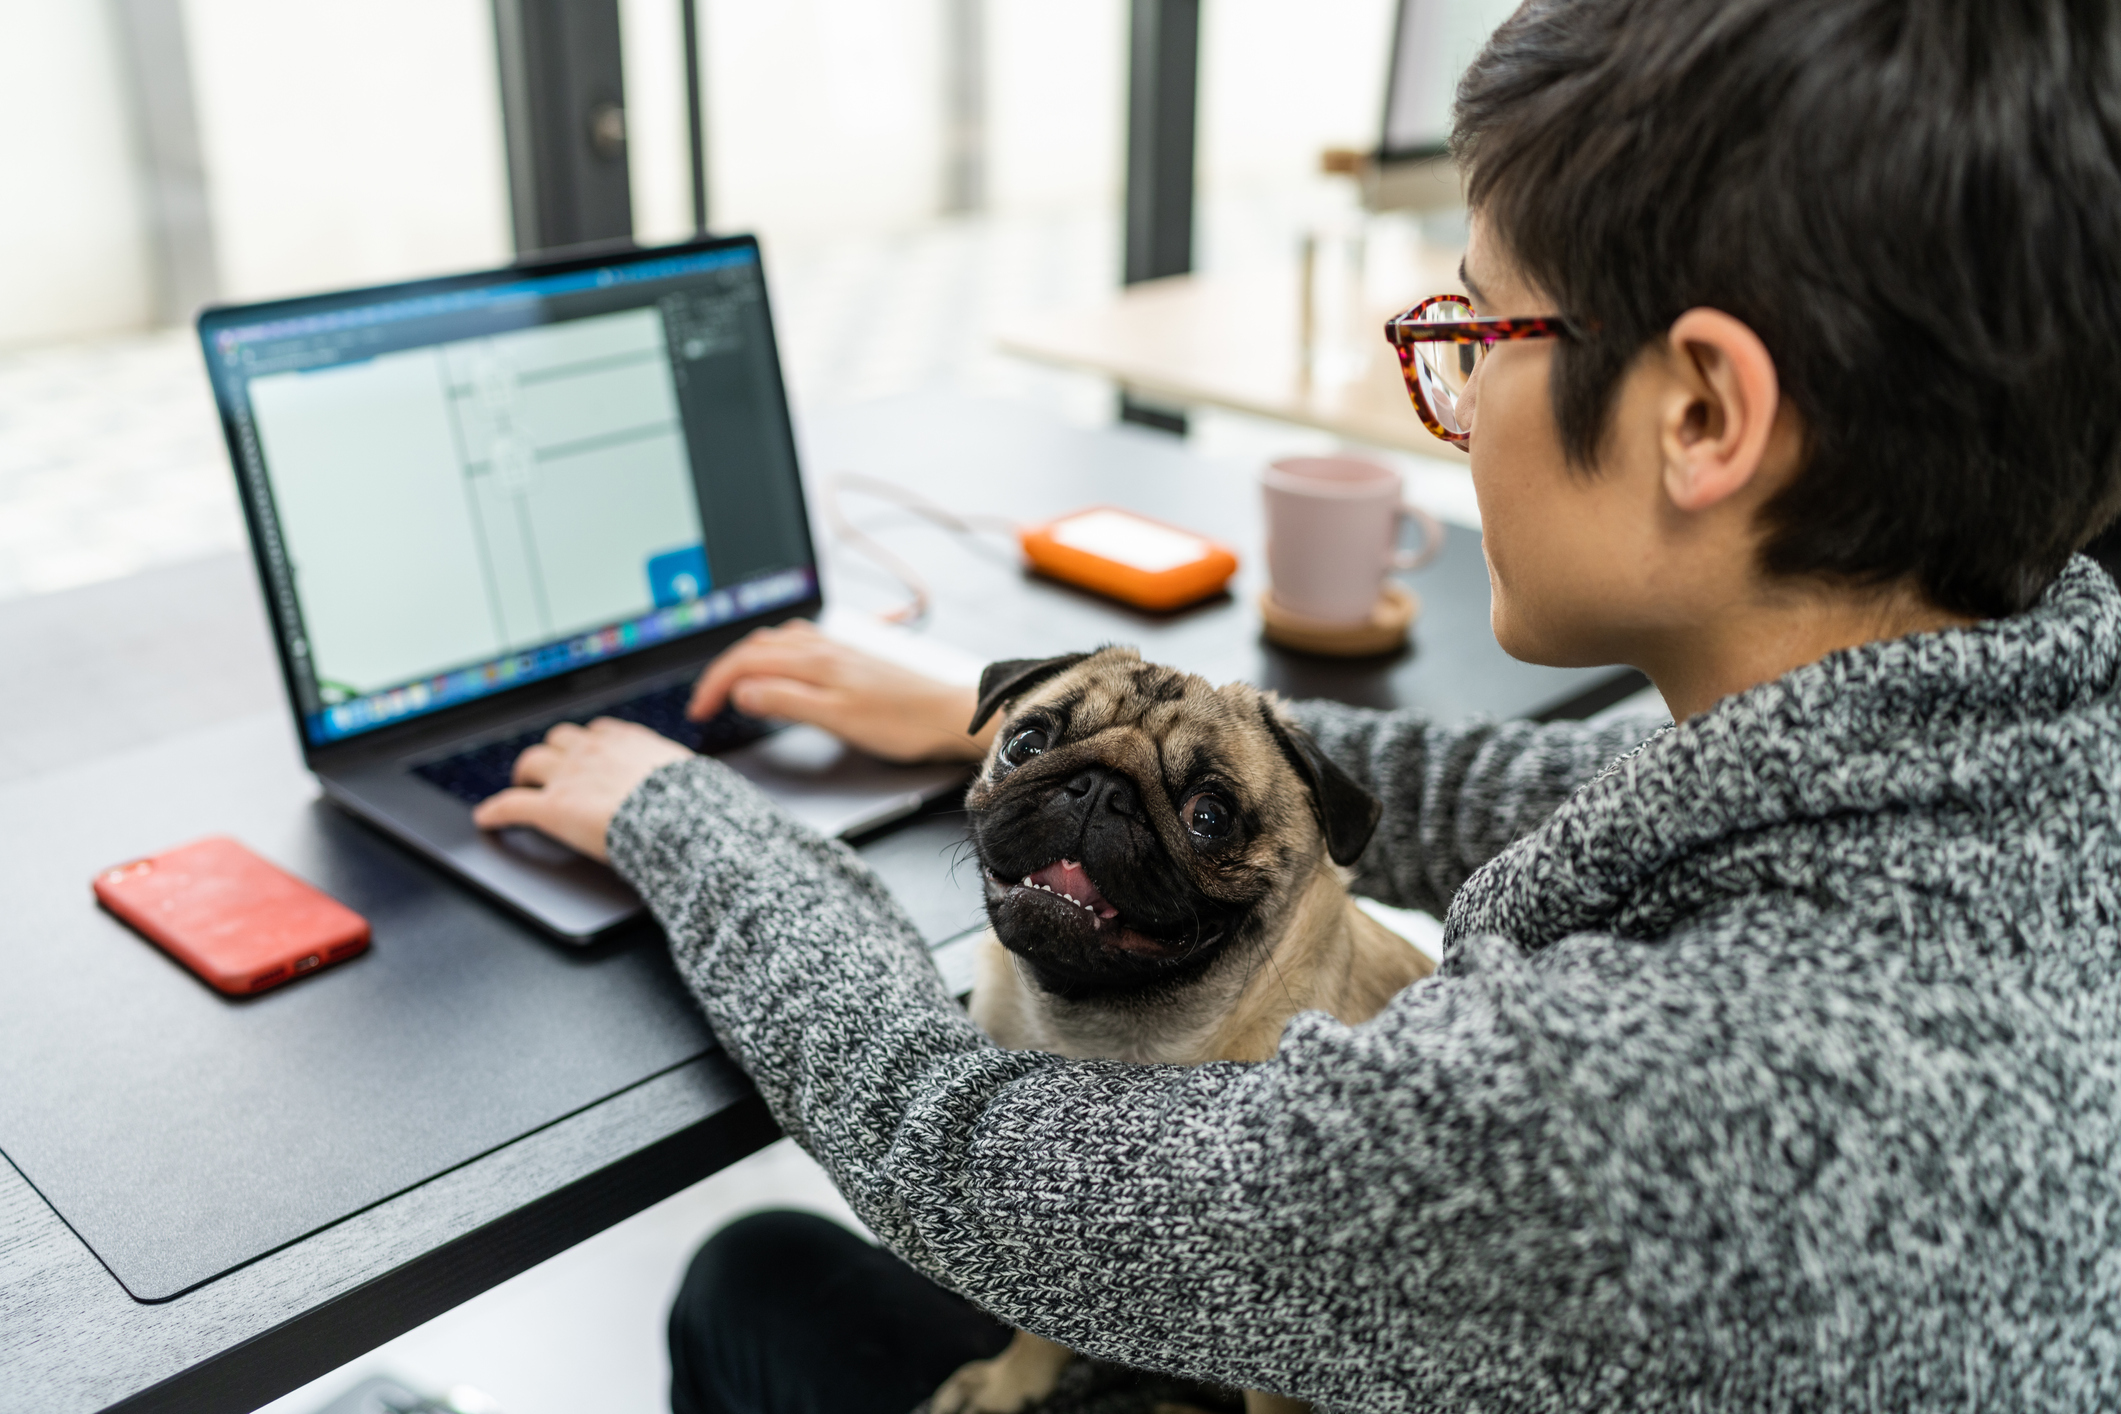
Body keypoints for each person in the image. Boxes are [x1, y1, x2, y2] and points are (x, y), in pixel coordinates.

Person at [470, 0, 2121, 1408]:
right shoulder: (2023, 758)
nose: (1456, 400)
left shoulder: (1647, 1105)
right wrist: (1094, 740)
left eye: (1475, 330)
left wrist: (676, 813)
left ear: (1701, 409)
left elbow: (974, 1161)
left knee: (749, 1279)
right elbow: (1580, 802)